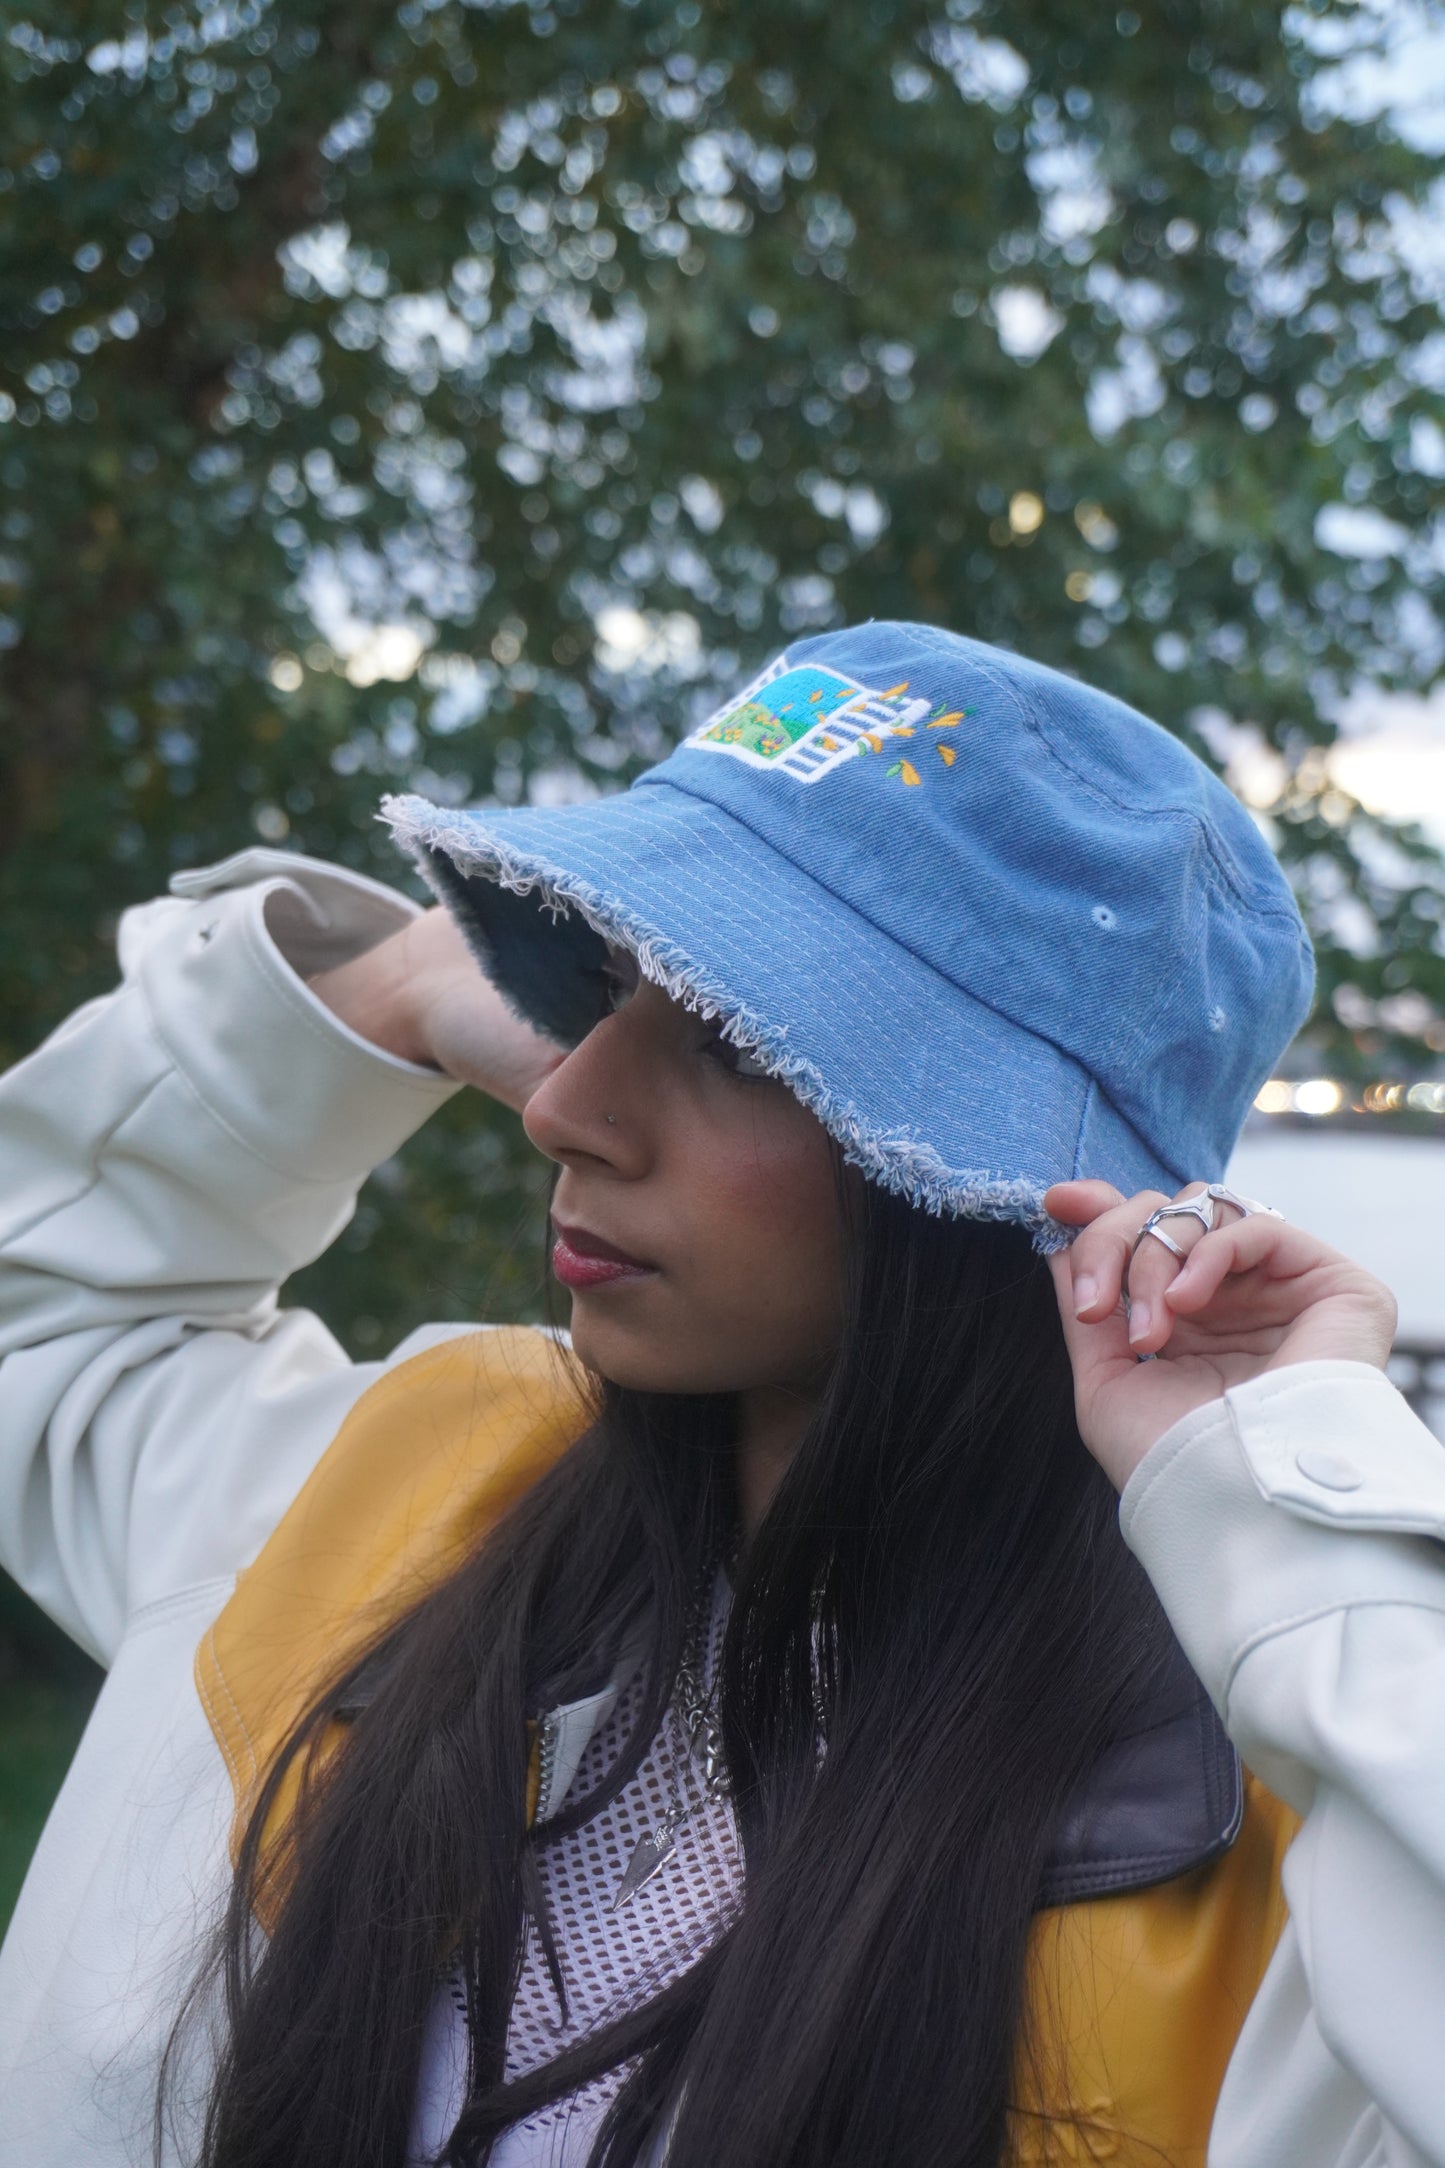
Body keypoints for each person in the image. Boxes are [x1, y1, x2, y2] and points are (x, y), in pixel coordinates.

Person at [0, 620, 1441, 2168]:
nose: (560, 1103)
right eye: (604, 989)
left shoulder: (1269, 1814)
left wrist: (1296, 1501)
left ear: (1017, 1193)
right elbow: (54, 1317)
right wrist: (408, 988)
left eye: (739, 1044)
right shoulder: (410, 1477)